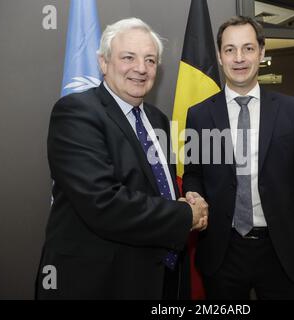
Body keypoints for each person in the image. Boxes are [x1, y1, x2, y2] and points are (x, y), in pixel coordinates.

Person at [36, 18, 208, 300]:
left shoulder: (158, 120)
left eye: (150, 60)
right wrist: (185, 215)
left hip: (158, 276)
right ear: (103, 62)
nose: (141, 68)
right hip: (100, 283)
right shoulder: (76, 113)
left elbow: (158, 188)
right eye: (128, 57)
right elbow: (103, 202)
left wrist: (187, 199)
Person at [183, 16, 294, 300]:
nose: (239, 58)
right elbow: (194, 172)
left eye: (247, 48)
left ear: (262, 51)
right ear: (220, 57)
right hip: (222, 251)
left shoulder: (291, 111)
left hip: (280, 250)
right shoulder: (199, 115)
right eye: (230, 49)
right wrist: (194, 196)